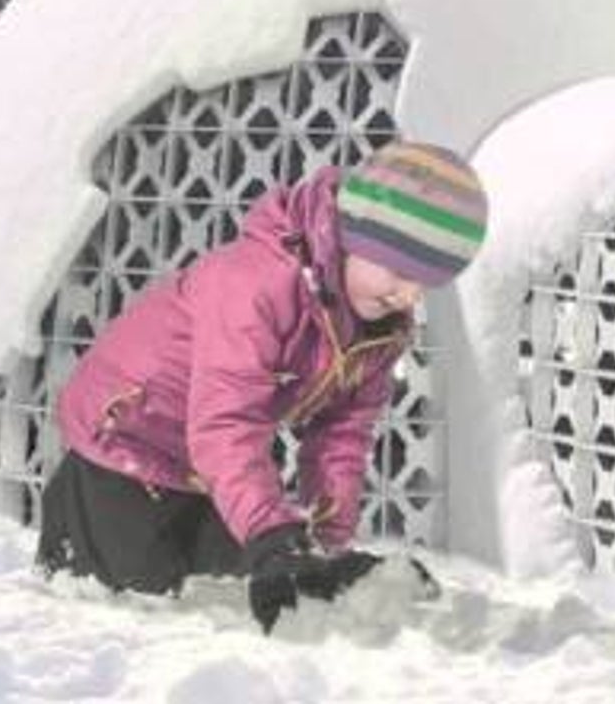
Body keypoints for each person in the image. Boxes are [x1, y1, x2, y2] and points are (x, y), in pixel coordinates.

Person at [36, 141, 489, 633]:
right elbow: (226, 422)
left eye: (427, 285)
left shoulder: (378, 328)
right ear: (355, 235)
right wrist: (271, 534)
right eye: (401, 273)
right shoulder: (257, 285)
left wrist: (322, 548)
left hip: (200, 465)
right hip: (126, 440)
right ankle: (73, 539)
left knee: (234, 577)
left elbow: (342, 435)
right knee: (131, 598)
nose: (409, 296)